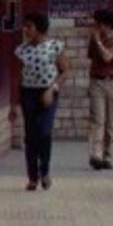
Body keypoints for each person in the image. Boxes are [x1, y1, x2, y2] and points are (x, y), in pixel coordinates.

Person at [13, 12, 67, 191]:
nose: (26, 30)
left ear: (39, 28)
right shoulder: (21, 50)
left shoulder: (55, 47)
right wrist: (14, 104)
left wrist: (52, 89)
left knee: (44, 131)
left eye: (29, 26)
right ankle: (32, 177)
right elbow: (17, 78)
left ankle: (45, 171)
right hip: (28, 93)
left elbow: (64, 71)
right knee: (31, 136)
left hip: (48, 92)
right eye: (25, 26)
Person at [87, 9, 113, 171]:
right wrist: (95, 41)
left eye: (99, 24)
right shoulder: (94, 39)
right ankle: (95, 155)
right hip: (97, 81)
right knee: (98, 119)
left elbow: (108, 57)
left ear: (107, 25)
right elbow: (91, 56)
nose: (97, 27)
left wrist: (98, 42)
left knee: (110, 122)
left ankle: (107, 155)